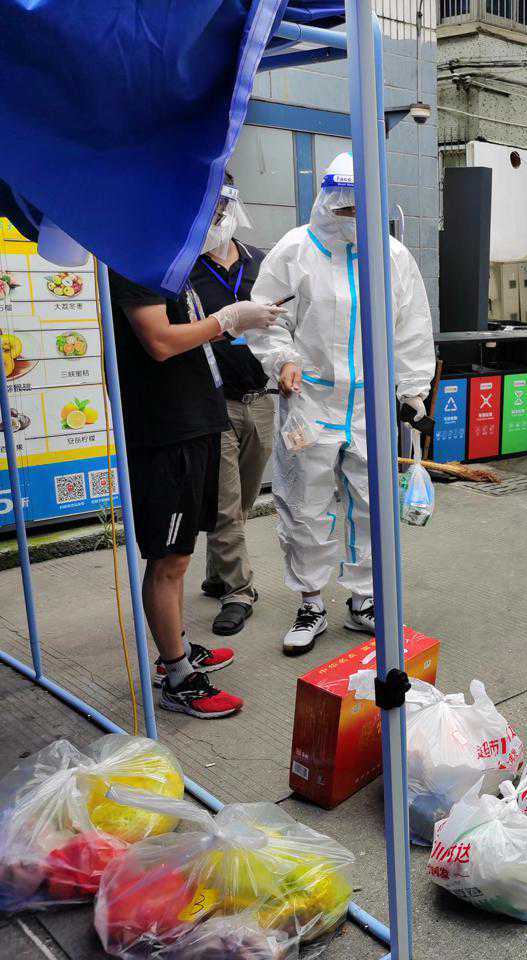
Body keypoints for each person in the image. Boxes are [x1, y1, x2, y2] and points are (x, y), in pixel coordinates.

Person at [248, 153, 436, 656]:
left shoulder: (391, 256)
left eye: (360, 209)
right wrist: (282, 360)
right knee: (304, 504)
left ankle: (364, 599)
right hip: (308, 399)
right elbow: (265, 317)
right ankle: (310, 602)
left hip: (368, 403)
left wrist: (412, 390)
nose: (352, 218)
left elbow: (411, 326)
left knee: (370, 502)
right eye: (344, 209)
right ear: (326, 202)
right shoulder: (294, 250)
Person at [109, 213, 285, 718]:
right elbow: (161, 341)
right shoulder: (137, 258)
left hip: (197, 417)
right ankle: (178, 676)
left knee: (181, 553)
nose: (218, 218)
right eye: (211, 208)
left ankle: (177, 648)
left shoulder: (172, 261)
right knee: (169, 560)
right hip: (167, 430)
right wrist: (227, 320)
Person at [187, 175, 274, 637]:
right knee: (224, 503)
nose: (217, 216)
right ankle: (239, 591)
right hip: (212, 401)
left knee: (241, 500)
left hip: (261, 399)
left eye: (222, 207)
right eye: (209, 207)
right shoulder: (184, 268)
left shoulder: (261, 261)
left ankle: (217, 572)